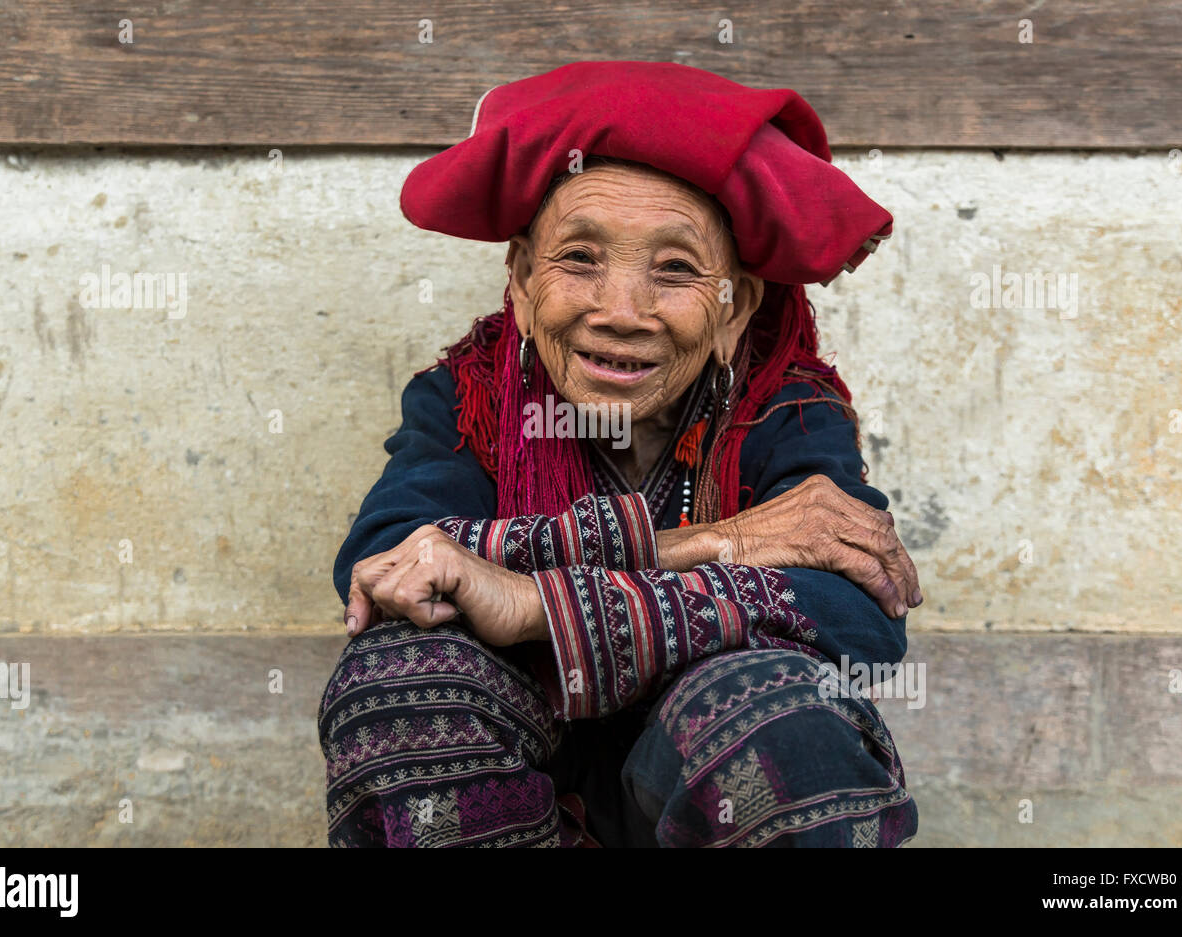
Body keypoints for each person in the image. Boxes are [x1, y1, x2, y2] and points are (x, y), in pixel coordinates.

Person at [319, 61, 922, 847]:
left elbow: (858, 617)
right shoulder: (469, 397)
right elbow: (390, 562)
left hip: (699, 783)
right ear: (523, 281)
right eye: (580, 259)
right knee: (403, 679)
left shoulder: (786, 408)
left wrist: (536, 603)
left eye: (675, 269)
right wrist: (715, 544)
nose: (623, 313)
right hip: (523, 769)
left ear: (737, 308)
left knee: (782, 712)